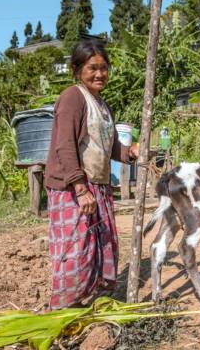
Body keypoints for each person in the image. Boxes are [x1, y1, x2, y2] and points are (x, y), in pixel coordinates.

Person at [43, 39, 137, 309]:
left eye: (104, 68)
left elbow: (107, 146)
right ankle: (64, 308)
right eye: (92, 68)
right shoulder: (72, 97)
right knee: (78, 249)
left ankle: (90, 304)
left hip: (99, 187)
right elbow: (64, 144)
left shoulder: (103, 105)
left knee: (101, 245)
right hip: (73, 189)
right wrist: (80, 188)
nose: (99, 74)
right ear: (77, 69)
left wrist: (131, 152)